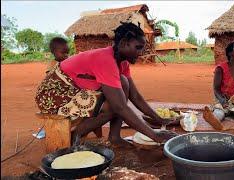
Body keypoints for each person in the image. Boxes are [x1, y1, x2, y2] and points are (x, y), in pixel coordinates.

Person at [35, 22, 177, 147]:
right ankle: (75, 135)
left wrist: (158, 119)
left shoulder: (123, 62)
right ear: (122, 44)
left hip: (73, 89)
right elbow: (120, 107)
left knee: (123, 83)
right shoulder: (106, 60)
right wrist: (154, 135)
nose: (140, 53)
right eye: (138, 47)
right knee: (112, 106)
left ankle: (114, 137)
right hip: (53, 94)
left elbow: (135, 96)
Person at [203, 41, 234, 130]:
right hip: (225, 100)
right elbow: (216, 89)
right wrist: (223, 101)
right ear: (230, 53)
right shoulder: (221, 69)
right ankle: (214, 119)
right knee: (220, 112)